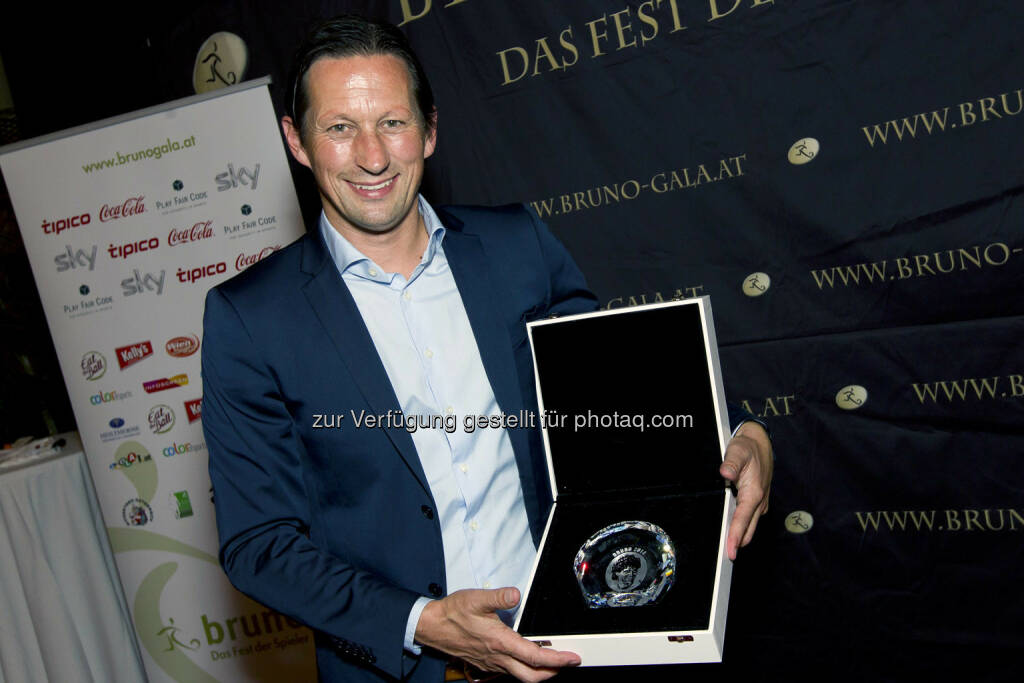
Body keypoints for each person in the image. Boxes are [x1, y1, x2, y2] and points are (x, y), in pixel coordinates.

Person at [202, 14, 772, 683]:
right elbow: (258, 544)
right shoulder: (251, 317)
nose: (373, 155)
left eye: (392, 121)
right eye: (339, 127)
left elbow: (617, 380)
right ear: (297, 142)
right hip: (408, 670)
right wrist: (417, 620)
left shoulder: (515, 247)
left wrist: (742, 431)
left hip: (575, 639)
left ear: (430, 129)